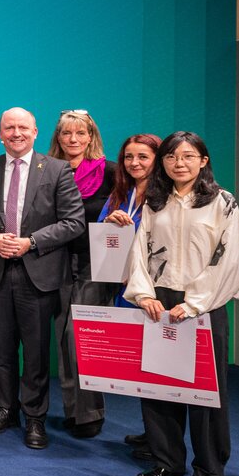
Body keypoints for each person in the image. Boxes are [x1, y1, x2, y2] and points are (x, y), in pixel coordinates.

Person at [124, 131, 239, 476]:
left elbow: (229, 257)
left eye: (188, 156)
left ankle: (208, 471)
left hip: (203, 304)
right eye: (171, 157)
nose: (179, 163)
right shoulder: (155, 202)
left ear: (203, 160)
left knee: (205, 395)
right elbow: (139, 250)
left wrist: (195, 303)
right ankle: (167, 460)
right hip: (159, 301)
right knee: (158, 387)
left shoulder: (222, 202)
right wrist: (144, 294)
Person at [0, 107, 83, 450]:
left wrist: (31, 242)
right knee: (2, 349)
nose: (16, 133)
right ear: (1, 133)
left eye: (23, 127)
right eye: (9, 128)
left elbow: (73, 221)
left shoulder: (57, 169)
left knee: (36, 352)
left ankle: (35, 417)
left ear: (35, 132)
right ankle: (6, 409)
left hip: (39, 274)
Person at [46, 109, 116, 439]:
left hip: (97, 263)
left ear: (91, 137)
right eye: (66, 133)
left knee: (85, 336)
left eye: (80, 133)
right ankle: (74, 410)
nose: (73, 139)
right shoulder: (48, 171)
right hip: (58, 261)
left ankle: (91, 412)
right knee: (63, 336)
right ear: (58, 138)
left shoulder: (110, 172)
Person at [96, 134, 162, 458]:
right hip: (126, 288)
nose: (134, 163)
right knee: (141, 364)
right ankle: (152, 431)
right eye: (128, 157)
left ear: (158, 159)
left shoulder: (165, 196)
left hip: (155, 290)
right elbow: (100, 231)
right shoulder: (122, 193)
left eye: (143, 157)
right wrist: (110, 221)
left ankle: (162, 441)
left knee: (159, 364)